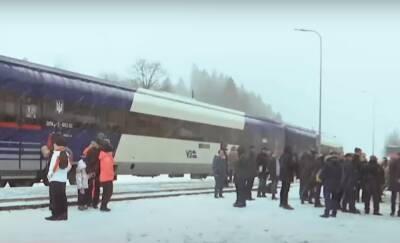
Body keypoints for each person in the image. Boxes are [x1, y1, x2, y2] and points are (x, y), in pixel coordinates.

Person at [45, 134, 71, 221]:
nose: (53, 145)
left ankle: (56, 215)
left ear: (57, 145)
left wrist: (50, 175)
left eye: (54, 144)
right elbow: (69, 167)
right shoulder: (66, 153)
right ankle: (64, 214)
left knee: (55, 198)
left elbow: (53, 167)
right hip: (63, 180)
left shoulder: (56, 154)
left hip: (55, 180)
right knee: (62, 197)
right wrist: (63, 173)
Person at [318, 154, 343, 218]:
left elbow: (322, 175)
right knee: (335, 199)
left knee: (327, 199)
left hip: (328, 184)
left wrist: (322, 180)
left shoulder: (327, 165)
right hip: (337, 184)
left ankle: (327, 213)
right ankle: (334, 213)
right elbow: (342, 176)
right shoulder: (340, 166)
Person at [85, 135, 105, 208]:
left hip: (97, 171)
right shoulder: (92, 151)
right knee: (92, 187)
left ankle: (93, 202)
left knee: (95, 187)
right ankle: (91, 202)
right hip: (93, 171)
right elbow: (88, 161)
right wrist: (90, 170)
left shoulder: (99, 151)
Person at [98, 139, 115, 212]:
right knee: (108, 193)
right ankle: (103, 206)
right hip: (106, 177)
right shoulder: (104, 155)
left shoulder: (107, 155)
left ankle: (103, 205)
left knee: (107, 193)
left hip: (108, 177)